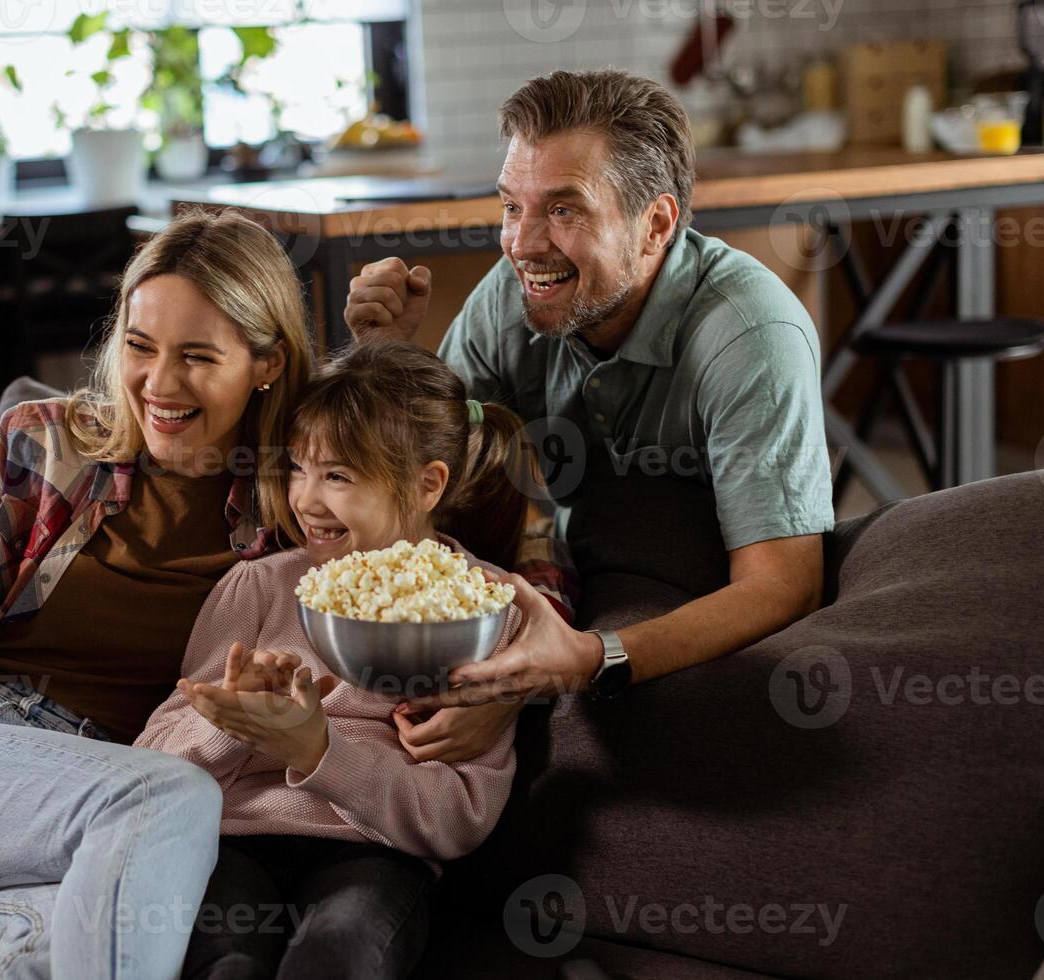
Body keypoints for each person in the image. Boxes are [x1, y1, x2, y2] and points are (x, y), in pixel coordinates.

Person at [0, 210, 314, 979]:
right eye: (139, 347)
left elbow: (431, 494)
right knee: (174, 797)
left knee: (81, 952)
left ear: (267, 363)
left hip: (76, 824)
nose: (159, 384)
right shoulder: (44, 443)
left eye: (199, 357)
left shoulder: (300, 512)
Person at [344, 69, 834, 715]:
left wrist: (590, 660)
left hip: (681, 596)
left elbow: (782, 589)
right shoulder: (511, 293)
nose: (521, 245)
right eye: (511, 206)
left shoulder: (752, 334)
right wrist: (389, 359)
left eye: (563, 209)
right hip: (559, 578)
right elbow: (433, 487)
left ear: (655, 224)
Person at [136, 341, 532, 979]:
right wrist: (233, 720)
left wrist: (316, 750)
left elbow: (458, 818)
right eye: (298, 467)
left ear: (428, 484)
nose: (305, 499)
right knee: (223, 961)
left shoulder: (487, 611)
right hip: (232, 840)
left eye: (339, 476)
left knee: (336, 960)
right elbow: (151, 768)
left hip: (375, 855)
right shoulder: (260, 587)